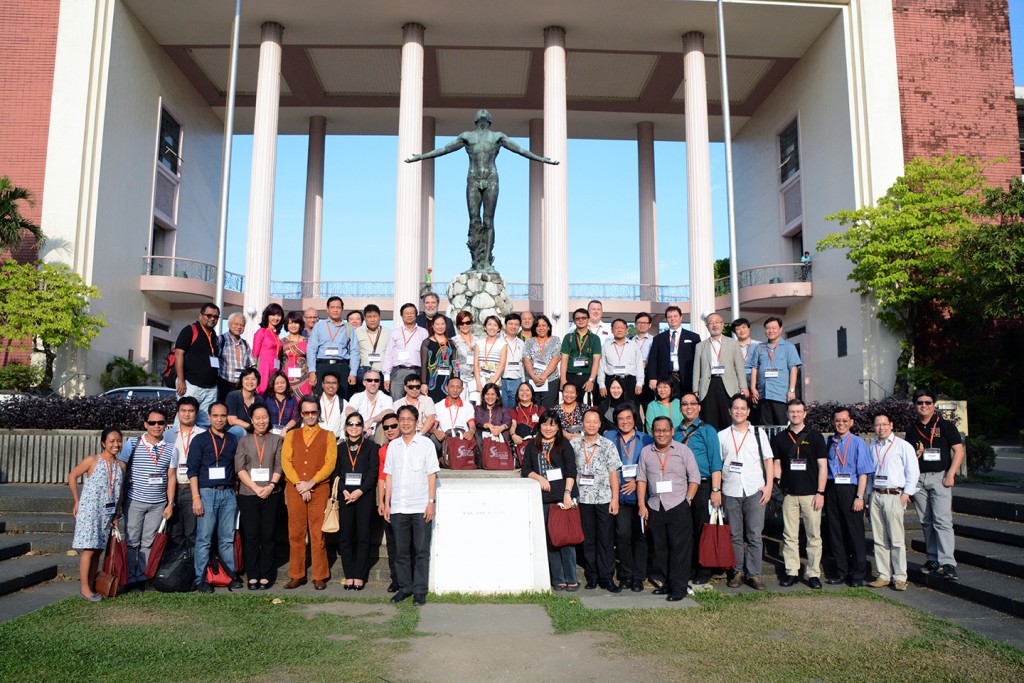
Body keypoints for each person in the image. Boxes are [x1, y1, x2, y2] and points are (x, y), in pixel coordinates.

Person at [404, 109, 558, 272]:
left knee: (489, 220)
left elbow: (521, 150)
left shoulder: (497, 137)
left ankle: (486, 262)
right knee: (474, 221)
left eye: (485, 116)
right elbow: (444, 149)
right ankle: (476, 262)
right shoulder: (467, 136)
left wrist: (541, 159)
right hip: (473, 179)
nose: (483, 116)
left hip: (491, 178)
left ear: (489, 121)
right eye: (481, 116)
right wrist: (421, 156)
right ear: (476, 121)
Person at [637, 415, 701, 601]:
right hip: (655, 506)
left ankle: (679, 588)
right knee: (661, 549)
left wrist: (688, 499)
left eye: (665, 430)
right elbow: (641, 479)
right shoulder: (646, 452)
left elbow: (694, 477)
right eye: (658, 430)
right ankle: (668, 583)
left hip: (677, 504)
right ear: (653, 432)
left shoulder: (683, 451)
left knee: (679, 549)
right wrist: (642, 504)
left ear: (672, 431)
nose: (661, 434)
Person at [383, 405, 440, 606]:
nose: (405, 422)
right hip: (398, 506)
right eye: (402, 419)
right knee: (401, 551)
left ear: (417, 422)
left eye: (410, 419)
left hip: (420, 506)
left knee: (421, 551)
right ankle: (404, 588)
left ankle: (419, 591)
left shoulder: (426, 445)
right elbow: (388, 476)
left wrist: (431, 503)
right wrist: (387, 503)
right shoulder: (393, 446)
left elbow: (431, 475)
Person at [769, 399, 827, 589]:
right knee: (790, 536)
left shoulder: (816, 436)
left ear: (805, 413)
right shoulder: (779, 438)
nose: (795, 415)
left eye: (798, 411)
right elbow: (777, 465)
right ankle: (791, 571)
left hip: (811, 494)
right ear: (787, 414)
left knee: (813, 536)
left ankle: (813, 573)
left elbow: (822, 466)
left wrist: (821, 492)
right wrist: (778, 486)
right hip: (789, 495)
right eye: (792, 412)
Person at [907, 389, 964, 581]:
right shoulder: (912, 428)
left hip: (940, 478)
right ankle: (932, 559)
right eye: (920, 402)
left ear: (934, 405)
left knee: (943, 521)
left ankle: (948, 563)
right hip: (919, 480)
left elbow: (958, 450)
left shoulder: (945, 426)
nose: (924, 405)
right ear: (915, 405)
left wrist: (950, 474)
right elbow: (909, 457)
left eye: (928, 402)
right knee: (926, 521)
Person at [281, 397, 338, 590]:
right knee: (296, 533)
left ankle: (319, 575)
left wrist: (311, 483)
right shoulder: (292, 435)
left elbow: (330, 463)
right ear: (301, 414)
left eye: (313, 412)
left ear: (318, 413)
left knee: (317, 533)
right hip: (295, 488)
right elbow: (285, 461)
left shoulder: (328, 435)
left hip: (319, 488)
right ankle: (297, 574)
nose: (310, 416)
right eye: (306, 413)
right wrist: (299, 484)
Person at [719, 394, 774, 591]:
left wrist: (769, 486)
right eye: (736, 408)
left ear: (748, 411)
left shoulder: (758, 434)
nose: (739, 411)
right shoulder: (722, 435)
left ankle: (755, 574)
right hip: (731, 490)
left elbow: (769, 460)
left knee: (754, 535)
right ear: (730, 411)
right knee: (734, 534)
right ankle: (738, 571)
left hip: (754, 489)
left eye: (743, 408)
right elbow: (717, 465)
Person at [186, 402, 242, 593]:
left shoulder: (233, 439)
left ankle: (229, 574)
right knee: (205, 538)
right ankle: (201, 578)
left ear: (227, 418)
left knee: (227, 538)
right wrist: (196, 497)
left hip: (228, 493)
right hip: (206, 493)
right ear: (209, 417)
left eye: (223, 416)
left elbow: (237, 468)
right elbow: (192, 471)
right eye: (215, 416)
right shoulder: (200, 440)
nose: (219, 419)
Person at [119, 408, 175, 591]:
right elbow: (122, 469)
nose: (156, 426)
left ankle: (143, 577)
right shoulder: (132, 444)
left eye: (160, 423)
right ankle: (129, 577)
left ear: (166, 425)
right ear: (145, 424)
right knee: (131, 541)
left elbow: (171, 477)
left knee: (148, 541)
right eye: (152, 423)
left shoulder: (170, 448)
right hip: (134, 500)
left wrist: (170, 503)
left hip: (158, 503)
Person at [521, 413, 578, 591]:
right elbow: (526, 469)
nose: (548, 428)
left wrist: (567, 493)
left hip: (563, 499)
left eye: (552, 425)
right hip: (544, 499)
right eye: (545, 424)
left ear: (558, 428)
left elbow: (571, 471)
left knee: (566, 539)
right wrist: (538, 478)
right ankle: (558, 578)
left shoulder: (564, 444)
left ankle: (572, 578)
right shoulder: (533, 445)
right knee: (551, 539)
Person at [69, 428, 125, 601]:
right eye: (112, 441)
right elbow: (72, 476)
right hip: (90, 511)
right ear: (103, 443)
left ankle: (92, 584)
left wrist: (117, 512)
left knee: (99, 549)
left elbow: (120, 491)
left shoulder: (121, 465)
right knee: (89, 548)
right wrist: (76, 500)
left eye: (119, 441)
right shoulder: (93, 460)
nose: (116, 444)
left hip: (107, 513)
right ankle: (85, 589)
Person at [673, 393, 724, 585]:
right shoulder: (676, 432)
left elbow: (715, 462)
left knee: (702, 528)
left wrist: (716, 489)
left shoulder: (707, 430)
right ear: (680, 409)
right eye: (685, 404)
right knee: (685, 530)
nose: (689, 407)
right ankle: (689, 567)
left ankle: (704, 569)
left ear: (699, 407)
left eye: (692, 404)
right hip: (681, 487)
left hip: (703, 486)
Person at [868, 411, 920, 591]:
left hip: (894, 495)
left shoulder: (903, 446)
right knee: (879, 538)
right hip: (876, 495)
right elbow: (869, 474)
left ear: (891, 425)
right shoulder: (872, 446)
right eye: (877, 424)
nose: (880, 428)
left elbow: (913, 472)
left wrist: (907, 494)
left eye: (884, 424)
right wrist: (868, 496)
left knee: (896, 539)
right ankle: (883, 575)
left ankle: (899, 576)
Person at [233, 404, 283, 590]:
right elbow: (239, 468)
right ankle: (252, 574)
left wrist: (270, 486)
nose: (261, 421)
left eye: (264, 417)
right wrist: (255, 487)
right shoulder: (244, 441)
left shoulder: (277, 440)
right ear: (252, 420)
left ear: (269, 419)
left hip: (271, 494)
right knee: (252, 536)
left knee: (268, 536)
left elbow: (279, 466)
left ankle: (266, 574)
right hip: (248, 494)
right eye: (257, 418)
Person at [824, 406, 875, 587]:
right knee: (836, 532)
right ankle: (841, 571)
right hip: (832, 489)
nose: (841, 424)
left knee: (855, 533)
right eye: (838, 421)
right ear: (833, 422)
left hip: (851, 490)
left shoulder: (858, 443)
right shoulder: (829, 442)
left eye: (845, 421)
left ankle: (858, 573)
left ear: (851, 422)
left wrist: (860, 497)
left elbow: (863, 473)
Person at [604, 404, 652, 592]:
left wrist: (638, 482)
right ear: (616, 421)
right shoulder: (609, 438)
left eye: (628, 418)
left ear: (634, 420)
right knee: (622, 536)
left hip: (640, 495)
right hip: (620, 497)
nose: (625, 422)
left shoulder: (646, 439)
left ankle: (639, 577)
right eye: (621, 418)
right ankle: (625, 575)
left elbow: (652, 464)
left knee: (640, 536)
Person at [572, 410, 621, 592]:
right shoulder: (575, 444)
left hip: (603, 499)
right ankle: (591, 576)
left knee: (606, 540)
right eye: (588, 421)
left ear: (600, 424)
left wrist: (615, 499)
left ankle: (606, 577)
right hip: (583, 499)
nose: (591, 425)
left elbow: (613, 473)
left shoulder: (607, 445)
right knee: (589, 540)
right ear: (582, 423)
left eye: (595, 422)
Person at [336, 413, 380, 590]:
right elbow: (335, 473)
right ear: (346, 427)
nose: (354, 427)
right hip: (345, 495)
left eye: (358, 424)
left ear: (363, 427)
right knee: (345, 536)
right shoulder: (339, 448)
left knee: (363, 536)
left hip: (364, 496)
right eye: (350, 424)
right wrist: (345, 491)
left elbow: (373, 471)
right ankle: (349, 574)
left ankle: (360, 575)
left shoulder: (371, 446)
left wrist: (360, 491)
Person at [693, 313, 746, 430]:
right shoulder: (700, 346)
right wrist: (695, 389)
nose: (714, 325)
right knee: (709, 420)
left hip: (728, 385)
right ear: (707, 326)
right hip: (708, 385)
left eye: (717, 322)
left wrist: (743, 386)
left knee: (728, 418)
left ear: (722, 324)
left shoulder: (733, 343)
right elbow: (697, 368)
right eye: (711, 323)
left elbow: (739, 367)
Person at [164, 397, 204, 546]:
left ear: (196, 413)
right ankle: (174, 567)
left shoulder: (203, 434)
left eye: (191, 411)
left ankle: (191, 567)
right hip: (172, 489)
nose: (187, 414)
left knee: (192, 533)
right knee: (173, 533)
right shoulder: (168, 435)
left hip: (192, 490)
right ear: (178, 413)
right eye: (183, 411)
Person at [174, 302, 221, 427]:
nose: (212, 319)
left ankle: (200, 446)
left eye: (216, 317)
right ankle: (177, 446)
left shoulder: (214, 336)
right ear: (200, 316)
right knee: (184, 420)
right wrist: (181, 380)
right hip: (190, 385)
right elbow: (178, 354)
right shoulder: (189, 330)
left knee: (205, 423)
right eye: (209, 315)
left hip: (210, 388)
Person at [749, 317, 802, 426]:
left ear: (780, 329)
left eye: (774, 328)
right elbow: (754, 368)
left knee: (782, 425)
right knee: (766, 427)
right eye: (768, 328)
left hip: (781, 395)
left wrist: (791, 390)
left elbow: (793, 369)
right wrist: (753, 388)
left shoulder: (789, 347)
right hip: (763, 394)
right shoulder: (760, 348)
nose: (770, 331)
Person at [307, 296, 360, 400]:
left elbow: (354, 351)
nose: (335, 310)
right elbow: (311, 349)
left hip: (342, 366)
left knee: (342, 398)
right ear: (327, 309)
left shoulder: (348, 327)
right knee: (320, 398)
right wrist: (312, 371)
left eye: (338, 307)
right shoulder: (319, 326)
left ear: (342, 309)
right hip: (322, 365)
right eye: (332, 307)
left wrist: (353, 372)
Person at [646, 305, 700, 398]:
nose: (672, 319)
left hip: (687, 377)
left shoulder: (693, 337)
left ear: (681, 317)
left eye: (675, 316)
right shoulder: (658, 339)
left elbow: (699, 359)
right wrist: (652, 378)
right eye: (669, 317)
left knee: (686, 404)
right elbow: (653, 360)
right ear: (666, 319)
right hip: (666, 378)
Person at [375, 416, 403, 592]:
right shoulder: (383, 450)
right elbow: (381, 478)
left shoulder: (408, 447)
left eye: (394, 426)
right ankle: (396, 579)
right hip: (390, 500)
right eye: (386, 428)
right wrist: (382, 502)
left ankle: (409, 578)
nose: (390, 430)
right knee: (392, 543)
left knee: (406, 543)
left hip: (407, 500)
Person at [383, 303, 428, 399]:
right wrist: (386, 377)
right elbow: (389, 354)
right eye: (406, 313)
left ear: (416, 315)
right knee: (396, 402)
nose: (409, 315)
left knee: (416, 402)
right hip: (398, 372)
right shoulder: (395, 332)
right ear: (401, 316)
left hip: (416, 371)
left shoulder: (423, 332)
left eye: (412, 313)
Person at [598, 319, 644, 402]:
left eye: (622, 328)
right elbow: (601, 366)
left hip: (629, 382)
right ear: (612, 330)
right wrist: (602, 385)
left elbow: (639, 365)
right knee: (611, 410)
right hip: (611, 382)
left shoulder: (633, 346)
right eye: (616, 328)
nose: (619, 330)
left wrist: (639, 383)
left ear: (626, 330)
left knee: (631, 409)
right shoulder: (606, 346)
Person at [559, 308, 601, 400]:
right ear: (574, 321)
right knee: (569, 403)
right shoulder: (568, 337)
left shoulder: (595, 338)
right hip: (570, 376)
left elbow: (596, 360)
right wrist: (563, 379)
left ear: (588, 319)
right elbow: (564, 359)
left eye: (583, 318)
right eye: (577, 318)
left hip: (587, 376)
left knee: (587, 406)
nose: (581, 320)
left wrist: (591, 380)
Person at [345, 370, 395, 445]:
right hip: (360, 430)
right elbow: (349, 410)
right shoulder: (357, 396)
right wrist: (361, 424)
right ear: (364, 383)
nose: (373, 383)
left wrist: (371, 420)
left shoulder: (386, 398)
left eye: (376, 380)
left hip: (377, 433)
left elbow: (389, 411)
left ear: (379, 383)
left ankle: (378, 452)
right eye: (369, 380)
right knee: (350, 423)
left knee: (384, 425)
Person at [523, 313, 561, 411]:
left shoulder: (555, 340)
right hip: (532, 380)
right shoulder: (529, 341)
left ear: (548, 327)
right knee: (534, 409)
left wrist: (544, 376)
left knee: (549, 409)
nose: (541, 328)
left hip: (550, 380)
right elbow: (526, 359)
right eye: (538, 326)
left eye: (544, 325)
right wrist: (533, 376)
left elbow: (556, 358)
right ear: (534, 328)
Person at [431, 377, 476, 453]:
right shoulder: (438, 406)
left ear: (462, 389)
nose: (455, 390)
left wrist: (471, 432)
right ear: (446, 388)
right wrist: (436, 431)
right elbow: (432, 427)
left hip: (462, 437)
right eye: (452, 386)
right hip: (444, 438)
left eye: (458, 387)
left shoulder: (468, 406)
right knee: (433, 438)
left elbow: (472, 426)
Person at [217, 312, 255, 403]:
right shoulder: (221, 340)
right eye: (236, 324)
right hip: (224, 383)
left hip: (240, 385)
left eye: (242, 325)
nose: (239, 327)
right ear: (229, 324)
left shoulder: (245, 344)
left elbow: (252, 365)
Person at [732, 317, 761, 425]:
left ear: (749, 329)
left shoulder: (759, 345)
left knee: (756, 414)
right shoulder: (731, 346)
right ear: (735, 332)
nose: (741, 330)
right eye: (738, 328)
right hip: (737, 384)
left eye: (744, 327)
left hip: (755, 383)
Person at [421, 315, 457, 402]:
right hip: (432, 382)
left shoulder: (451, 343)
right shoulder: (427, 343)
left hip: (448, 383)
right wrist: (424, 383)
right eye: (437, 324)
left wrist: (456, 381)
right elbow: (424, 364)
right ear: (433, 326)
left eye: (442, 324)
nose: (440, 327)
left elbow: (455, 364)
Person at [225, 368, 265, 440]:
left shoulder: (260, 399)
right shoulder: (233, 396)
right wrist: (251, 427)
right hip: (234, 432)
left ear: (258, 382)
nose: (250, 382)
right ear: (241, 380)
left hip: (253, 432)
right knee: (238, 430)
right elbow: (232, 420)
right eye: (247, 378)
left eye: (253, 379)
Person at [252, 303, 284, 394]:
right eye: (273, 315)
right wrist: (254, 372)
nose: (276, 318)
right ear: (267, 316)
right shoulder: (261, 331)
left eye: (279, 315)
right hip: (263, 368)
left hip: (275, 368)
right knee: (262, 392)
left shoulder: (276, 334)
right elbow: (254, 354)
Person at [393, 374, 438, 439]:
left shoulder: (427, 400)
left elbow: (431, 419)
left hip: (423, 434)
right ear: (405, 388)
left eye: (417, 387)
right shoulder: (397, 404)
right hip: (403, 435)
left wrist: (419, 435)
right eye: (411, 387)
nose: (414, 389)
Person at [355, 304, 390, 384]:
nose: (372, 319)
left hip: (382, 374)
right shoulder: (357, 332)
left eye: (375, 316)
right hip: (364, 373)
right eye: (369, 317)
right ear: (365, 318)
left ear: (380, 318)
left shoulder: (388, 332)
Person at [474, 382, 512, 456]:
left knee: (506, 432)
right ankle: (483, 458)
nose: (490, 397)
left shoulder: (502, 408)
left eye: (493, 394)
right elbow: (478, 420)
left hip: (499, 435)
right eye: (487, 394)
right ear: (484, 396)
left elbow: (508, 420)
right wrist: (488, 425)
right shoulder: (479, 408)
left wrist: (500, 428)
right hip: (484, 435)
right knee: (478, 433)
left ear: (497, 396)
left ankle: (502, 456)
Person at [474, 315, 508, 396]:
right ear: (485, 327)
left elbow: (502, 365)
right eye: (489, 324)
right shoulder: (479, 343)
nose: (492, 327)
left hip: (495, 382)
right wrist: (478, 383)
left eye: (495, 325)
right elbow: (475, 364)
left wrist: (491, 384)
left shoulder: (502, 344)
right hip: (480, 382)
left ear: (499, 328)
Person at [282, 310, 312, 399]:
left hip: (304, 379)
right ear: (286, 325)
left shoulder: (308, 341)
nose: (293, 326)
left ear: (300, 324)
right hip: (286, 378)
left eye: (296, 323)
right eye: (290, 323)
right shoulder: (281, 342)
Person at [453, 311, 479, 402]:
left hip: (474, 379)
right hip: (460, 379)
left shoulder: (478, 340)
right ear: (458, 325)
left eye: (467, 322)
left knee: (475, 406)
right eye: (461, 323)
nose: (465, 325)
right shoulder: (454, 341)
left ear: (471, 323)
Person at [510, 382, 545, 450]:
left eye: (527, 390)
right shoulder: (514, 410)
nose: (524, 392)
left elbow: (546, 423)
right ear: (517, 393)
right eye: (521, 390)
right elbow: (513, 425)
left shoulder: (539, 408)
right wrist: (513, 435)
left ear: (532, 393)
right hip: (522, 440)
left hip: (538, 439)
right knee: (522, 427)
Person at [632, 312, 656, 410]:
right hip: (633, 376)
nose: (642, 325)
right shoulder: (629, 341)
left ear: (649, 325)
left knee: (648, 406)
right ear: (635, 324)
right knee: (633, 406)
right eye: (639, 322)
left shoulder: (655, 340)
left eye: (645, 323)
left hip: (648, 376)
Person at [500, 313, 525, 406]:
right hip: (501, 379)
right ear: (505, 325)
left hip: (516, 380)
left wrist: (523, 381)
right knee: (501, 408)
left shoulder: (521, 343)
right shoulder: (498, 340)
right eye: (511, 324)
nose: (513, 327)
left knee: (514, 409)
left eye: (516, 324)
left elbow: (522, 363)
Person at [264, 371, 299, 435]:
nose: (280, 385)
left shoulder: (292, 398)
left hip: (287, 432)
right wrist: (267, 429)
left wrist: (286, 428)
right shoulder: (266, 399)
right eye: (276, 383)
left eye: (283, 382)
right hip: (269, 433)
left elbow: (295, 417)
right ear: (272, 384)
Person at [317, 371, 347, 440]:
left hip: (335, 442)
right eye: (328, 382)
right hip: (316, 440)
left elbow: (344, 425)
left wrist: (342, 439)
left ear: (338, 385)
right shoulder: (315, 401)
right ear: (322, 384)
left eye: (334, 383)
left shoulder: (343, 403)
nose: (331, 386)